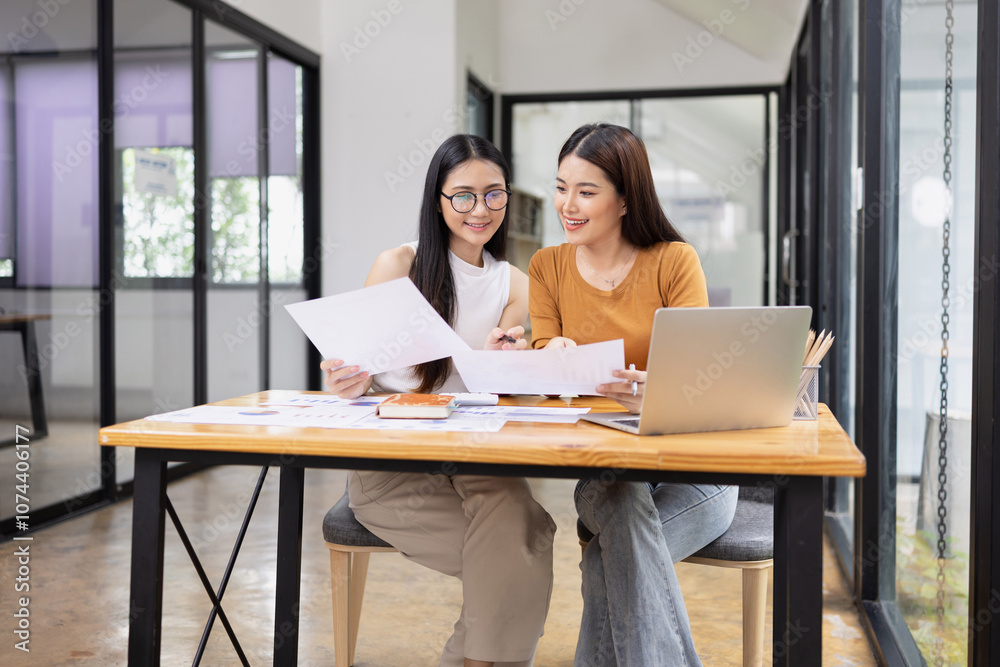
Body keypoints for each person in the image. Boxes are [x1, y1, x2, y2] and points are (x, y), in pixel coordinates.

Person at [320, 134, 554, 667]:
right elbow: (354, 374)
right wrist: (346, 380)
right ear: (438, 200)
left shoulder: (514, 284)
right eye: (464, 195)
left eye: (495, 194)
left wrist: (506, 358)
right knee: (526, 548)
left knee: (517, 533)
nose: (481, 209)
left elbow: (507, 388)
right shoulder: (398, 264)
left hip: (478, 456)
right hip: (395, 464)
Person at [528, 123, 738, 666]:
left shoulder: (673, 260)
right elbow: (544, 346)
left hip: (696, 468)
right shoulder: (547, 267)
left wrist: (662, 392)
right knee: (620, 511)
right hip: (608, 467)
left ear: (626, 199)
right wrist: (552, 353)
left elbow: (701, 374)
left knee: (610, 559)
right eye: (561, 187)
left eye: (586, 191)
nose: (567, 205)